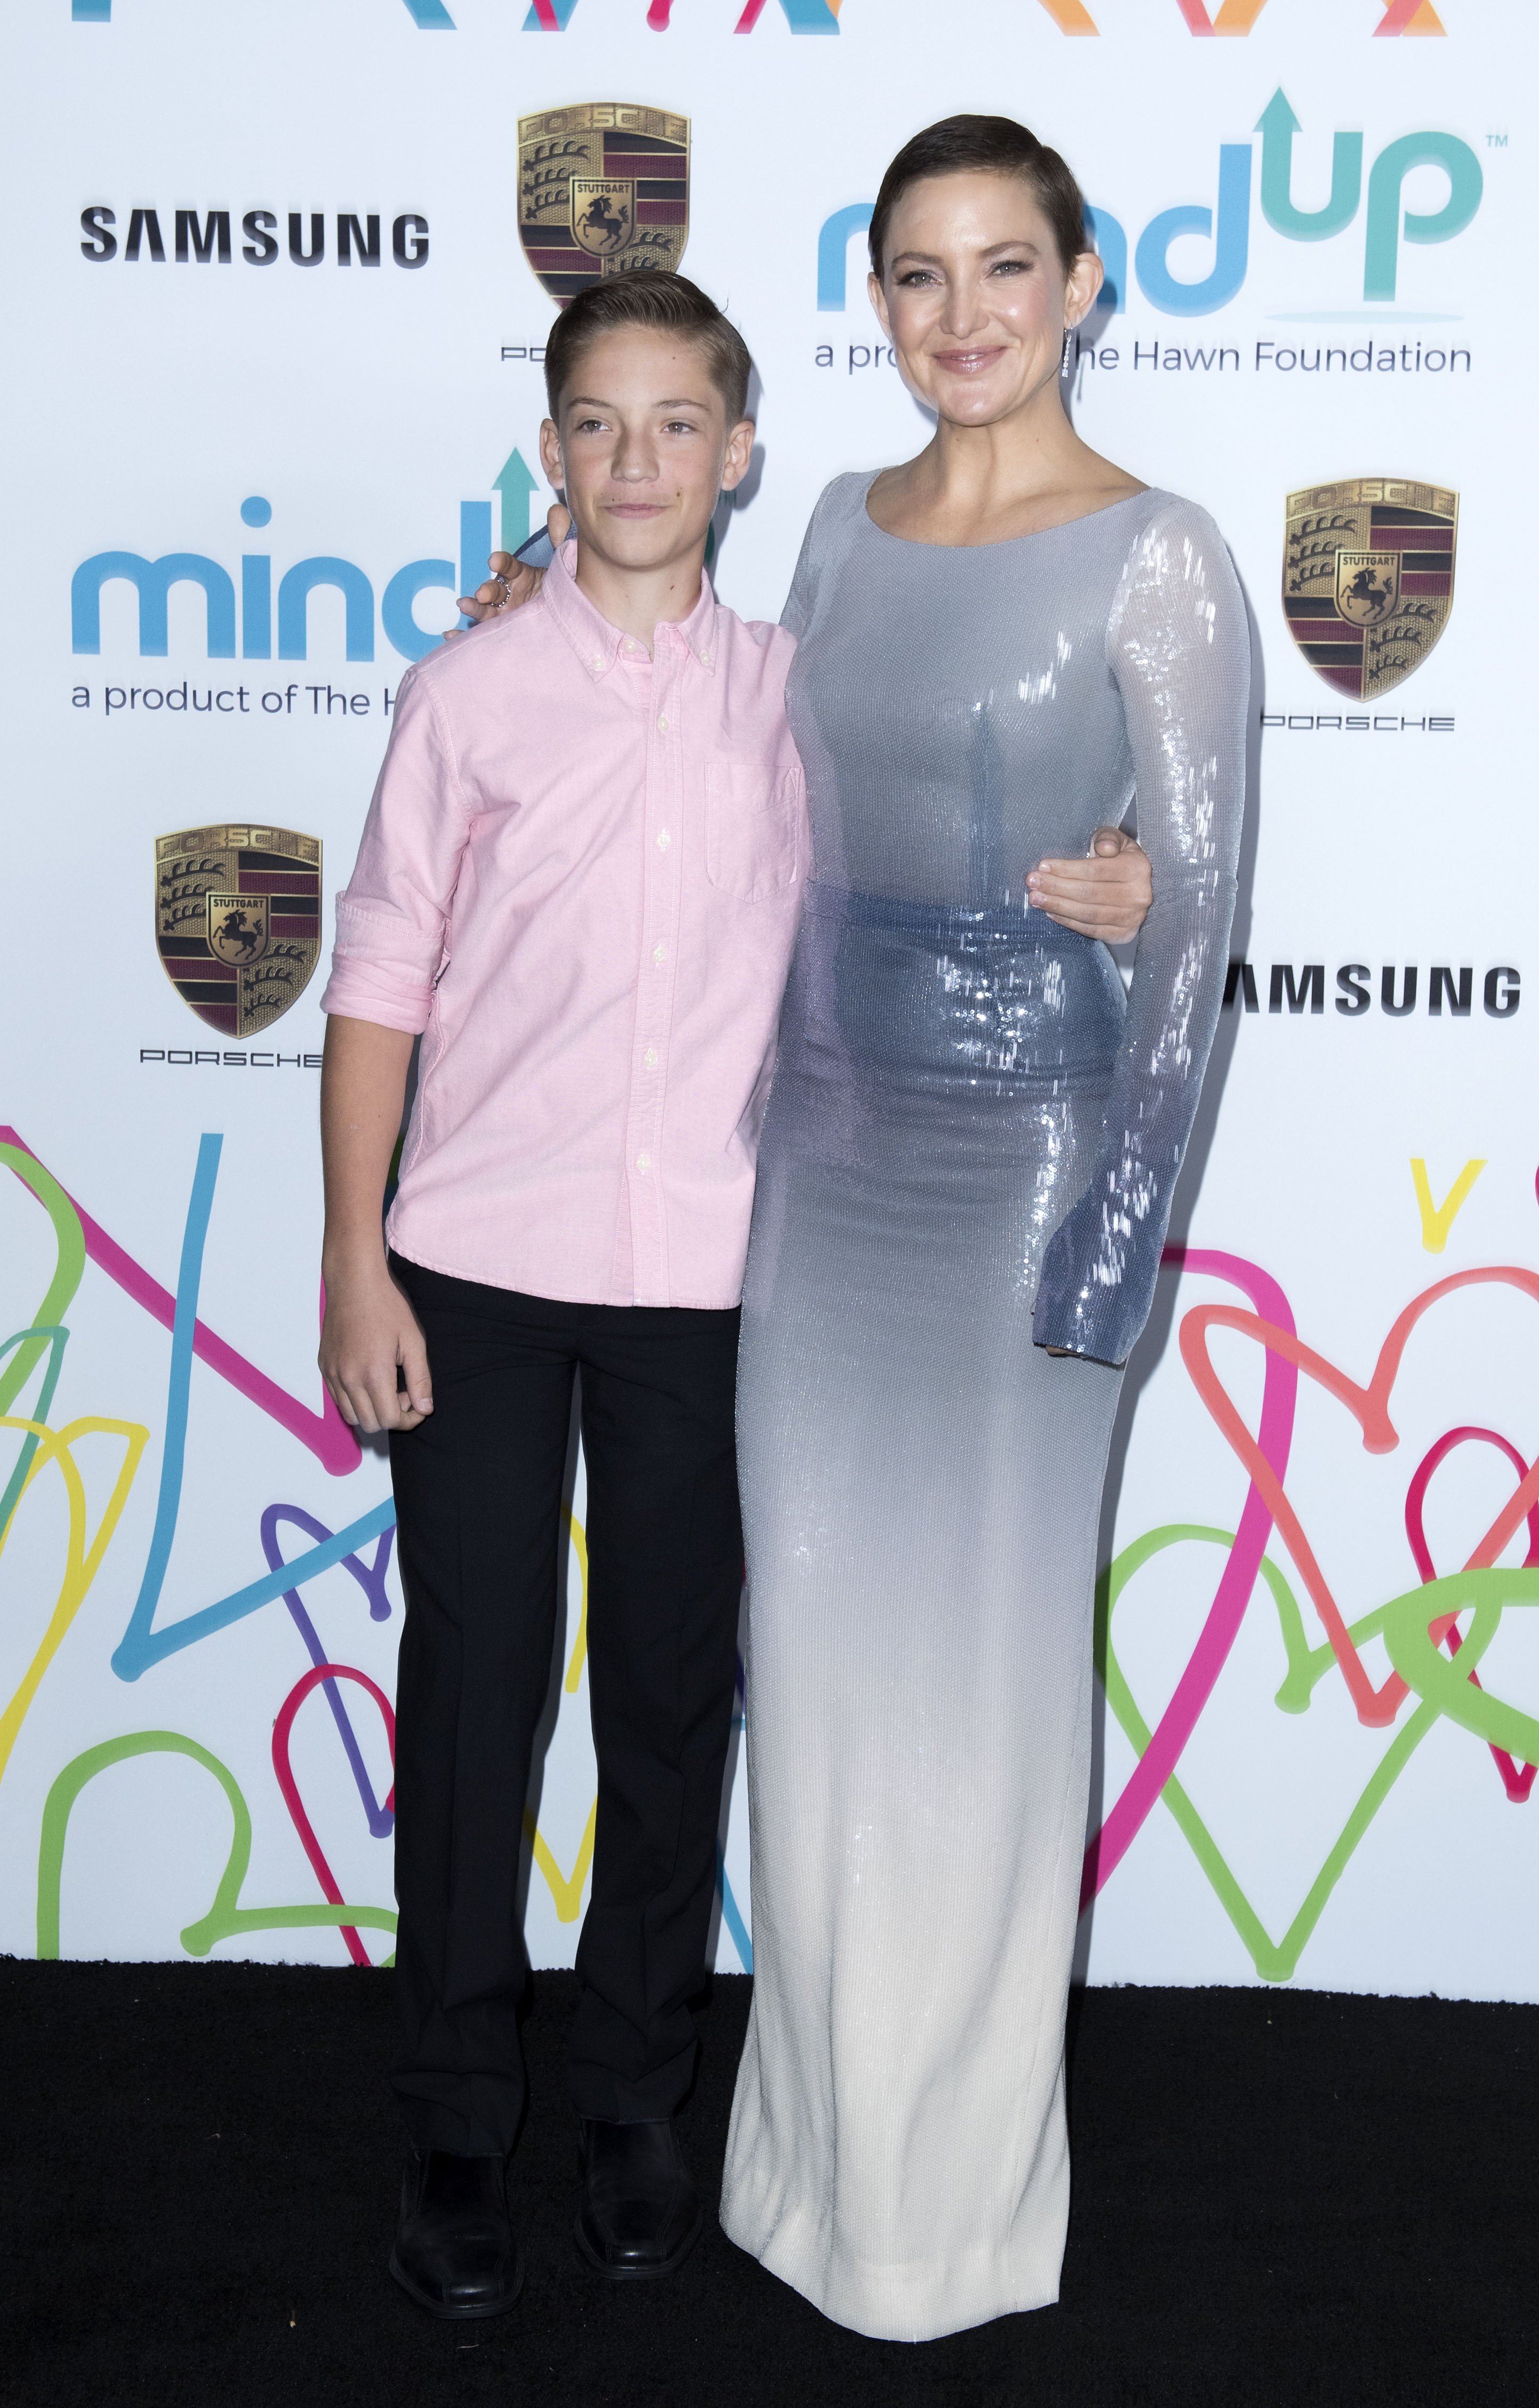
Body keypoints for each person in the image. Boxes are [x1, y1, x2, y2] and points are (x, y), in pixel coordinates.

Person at [331, 269, 1155, 2323]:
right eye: (596, 427)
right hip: (478, 1266)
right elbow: (374, 987)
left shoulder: (795, 688)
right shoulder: (470, 694)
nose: (636, 462)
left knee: (673, 1701)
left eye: (677, 424)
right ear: (550, 455)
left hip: (721, 1278)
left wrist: (1125, 871)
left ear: (743, 450)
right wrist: (353, 1256)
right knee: (478, 1693)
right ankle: (454, 2113)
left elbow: (952, 821)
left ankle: (630, 2097)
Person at [718, 118, 1247, 2341]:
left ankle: (945, 2218)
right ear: (876, 291)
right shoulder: (829, 528)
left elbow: (1202, 926)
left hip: (1032, 1171)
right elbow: (731, 771)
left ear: (1085, 281)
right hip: (815, 1180)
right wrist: (527, 600)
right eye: (918, 275)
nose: (963, 317)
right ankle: (808, 2168)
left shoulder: (1163, 558)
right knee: (822, 1680)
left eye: (1003, 267)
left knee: (990, 1694)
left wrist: (1114, 1246)